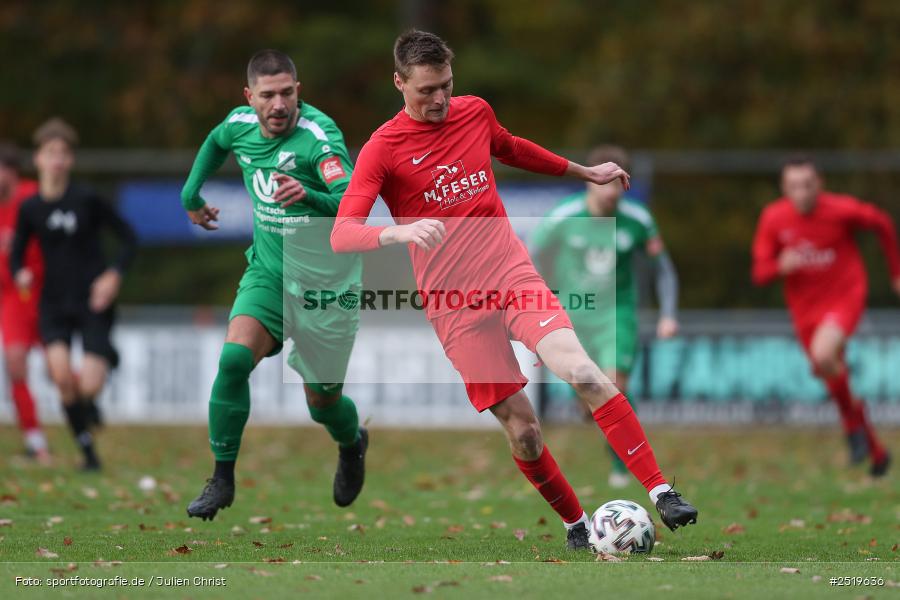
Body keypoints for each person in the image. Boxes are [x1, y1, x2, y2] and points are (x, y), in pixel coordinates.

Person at [331, 30, 698, 550]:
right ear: (399, 83)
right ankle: (575, 524)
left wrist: (585, 172)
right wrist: (398, 233)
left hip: (509, 274)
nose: (440, 99)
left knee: (583, 371)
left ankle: (662, 492)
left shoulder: (474, 112)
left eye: (446, 85)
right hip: (454, 306)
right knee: (524, 432)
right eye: (427, 90)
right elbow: (342, 233)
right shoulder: (383, 149)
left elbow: (511, 148)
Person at [182, 50, 367, 521]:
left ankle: (352, 442)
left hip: (326, 289)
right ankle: (222, 478)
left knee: (322, 403)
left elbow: (352, 203)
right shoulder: (240, 124)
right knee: (232, 360)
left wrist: (309, 195)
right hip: (270, 274)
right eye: (268, 95)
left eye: (287, 93)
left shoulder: (318, 138)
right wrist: (191, 194)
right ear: (250, 96)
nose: (278, 104)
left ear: (298, 91)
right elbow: (216, 141)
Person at [532, 145, 679, 489]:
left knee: (615, 388)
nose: (611, 191)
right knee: (589, 402)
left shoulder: (638, 219)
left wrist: (668, 314)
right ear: (589, 179)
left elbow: (663, 270)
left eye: (618, 182)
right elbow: (532, 258)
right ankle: (604, 430)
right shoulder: (563, 216)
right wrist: (539, 300)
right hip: (572, 315)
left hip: (616, 314)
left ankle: (621, 467)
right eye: (604, 181)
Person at [752, 156, 898, 477]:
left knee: (823, 354)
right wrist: (779, 266)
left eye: (807, 185)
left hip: (846, 295)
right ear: (784, 188)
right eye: (794, 186)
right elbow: (759, 272)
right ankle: (875, 451)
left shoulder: (841, 209)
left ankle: (852, 427)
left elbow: (882, 223)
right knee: (830, 372)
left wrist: (896, 272)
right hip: (804, 310)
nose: (801, 193)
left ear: (820, 184)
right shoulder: (773, 218)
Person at [10, 119, 137, 471]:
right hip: (53, 304)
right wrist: (20, 272)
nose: (57, 159)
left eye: (64, 153)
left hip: (92, 301)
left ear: (71, 160)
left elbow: (129, 238)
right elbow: (17, 253)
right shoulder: (30, 208)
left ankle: (105, 361)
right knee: (63, 379)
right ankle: (88, 453)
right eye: (51, 152)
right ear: (38, 159)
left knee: (89, 386)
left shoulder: (87, 199)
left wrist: (113, 275)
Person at [0, 142, 49, 462]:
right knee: (15, 364)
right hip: (12, 298)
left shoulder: (34, 197)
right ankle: (35, 442)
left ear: (10, 171)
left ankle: (85, 411)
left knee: (58, 370)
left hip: (46, 293)